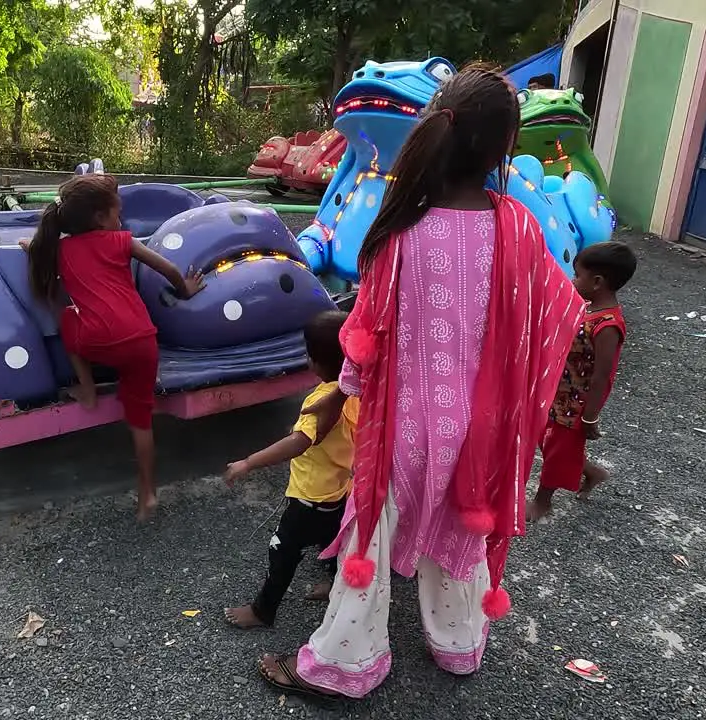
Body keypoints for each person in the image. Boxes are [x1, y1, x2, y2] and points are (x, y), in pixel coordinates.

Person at [253, 65, 587, 699]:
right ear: (502, 148)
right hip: (484, 424)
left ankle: (343, 666)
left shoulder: (401, 229)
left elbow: (365, 334)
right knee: (464, 523)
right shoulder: (517, 224)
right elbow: (559, 311)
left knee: (371, 537)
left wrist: (345, 390)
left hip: (405, 425)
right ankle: (458, 645)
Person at [22, 174, 204, 523]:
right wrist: (187, 291)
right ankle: (148, 491)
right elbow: (167, 268)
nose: (121, 216)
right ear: (100, 218)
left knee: (67, 317)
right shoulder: (123, 241)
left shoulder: (59, 250)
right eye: (117, 210)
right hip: (141, 342)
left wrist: (29, 249)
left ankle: (88, 389)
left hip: (96, 342)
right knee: (141, 422)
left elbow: (38, 252)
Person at [222, 310, 360, 629]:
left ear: (313, 361)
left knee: (283, 551)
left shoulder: (321, 401)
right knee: (333, 544)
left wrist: (248, 462)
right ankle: (337, 587)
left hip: (308, 499)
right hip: (339, 491)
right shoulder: (354, 391)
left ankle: (262, 611)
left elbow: (300, 442)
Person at [527, 241, 637, 520]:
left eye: (578, 275)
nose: (573, 280)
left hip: (577, 403)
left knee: (556, 449)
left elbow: (602, 375)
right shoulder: (587, 308)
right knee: (548, 440)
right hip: (560, 391)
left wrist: (590, 418)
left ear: (598, 282)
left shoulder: (608, 325)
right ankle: (592, 472)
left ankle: (543, 502)